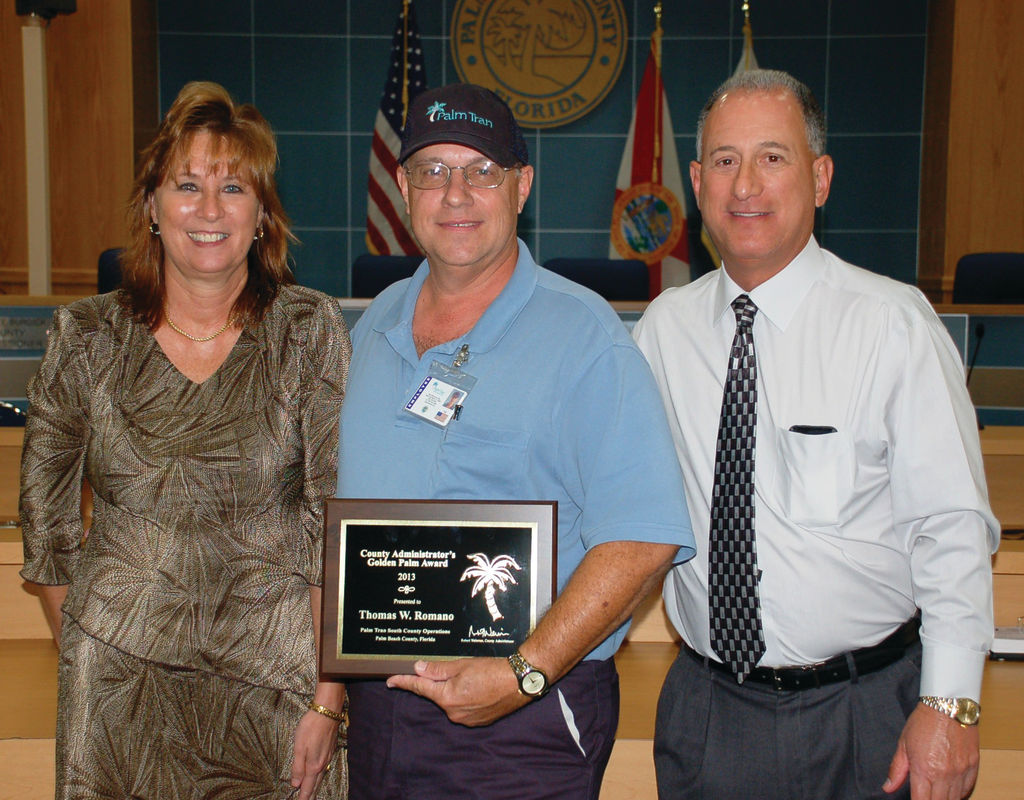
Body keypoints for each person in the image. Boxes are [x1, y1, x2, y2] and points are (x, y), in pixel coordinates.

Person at [633, 69, 999, 800]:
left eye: (773, 157)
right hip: (707, 711)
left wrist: (952, 702)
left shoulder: (892, 325)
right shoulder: (662, 333)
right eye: (726, 162)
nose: (746, 186)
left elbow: (952, 525)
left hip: (865, 714)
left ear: (821, 177)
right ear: (698, 182)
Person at [335, 82, 695, 800]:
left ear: (521, 186)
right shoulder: (374, 328)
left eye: (481, 171)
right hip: (382, 712)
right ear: (403, 191)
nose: (455, 193)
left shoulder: (585, 336)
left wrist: (522, 672)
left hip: (519, 719)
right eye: (433, 171)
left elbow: (642, 538)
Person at [19, 82, 351, 799]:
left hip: (278, 693)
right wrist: (91, 648)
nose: (208, 209)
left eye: (233, 187)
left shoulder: (308, 330)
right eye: (187, 185)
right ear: (152, 207)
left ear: (263, 214)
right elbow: (44, 534)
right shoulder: (83, 338)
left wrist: (329, 698)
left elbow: (336, 525)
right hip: (115, 697)